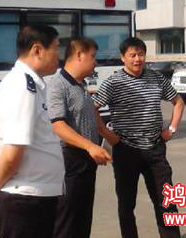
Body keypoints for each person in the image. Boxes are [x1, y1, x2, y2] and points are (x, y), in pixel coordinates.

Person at [0, 25, 65, 238]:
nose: (58, 56)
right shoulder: (23, 85)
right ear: (37, 50)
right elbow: (14, 149)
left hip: (32, 196)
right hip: (25, 200)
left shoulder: (30, 84)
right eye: (56, 49)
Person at [94, 36, 184, 238]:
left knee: (166, 201)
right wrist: (109, 136)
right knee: (127, 204)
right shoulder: (114, 82)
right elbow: (93, 108)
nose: (137, 59)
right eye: (132, 55)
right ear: (123, 58)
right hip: (126, 151)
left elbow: (178, 102)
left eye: (141, 54)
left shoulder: (156, 78)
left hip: (155, 149)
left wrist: (171, 129)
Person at [47, 37, 119, 238]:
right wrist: (90, 146)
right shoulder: (58, 85)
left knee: (83, 218)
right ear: (79, 55)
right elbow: (58, 126)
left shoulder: (81, 84)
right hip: (70, 162)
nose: (95, 62)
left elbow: (92, 117)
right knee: (67, 221)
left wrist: (109, 138)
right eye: (92, 56)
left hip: (87, 163)